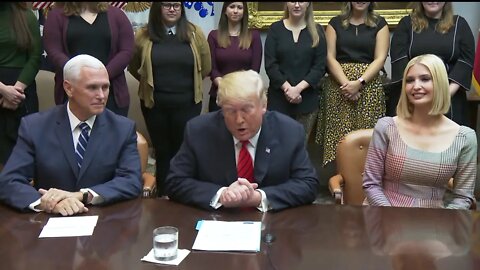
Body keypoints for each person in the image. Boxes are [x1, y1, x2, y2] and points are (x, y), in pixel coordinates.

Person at [0, 54, 142, 216]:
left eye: (105, 87)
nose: (102, 95)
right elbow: (9, 181)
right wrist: (47, 203)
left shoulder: (122, 128)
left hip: (105, 222)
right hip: (49, 222)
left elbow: (131, 181)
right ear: (68, 88)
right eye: (92, 87)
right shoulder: (35, 127)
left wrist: (83, 195)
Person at [165, 70, 319, 212]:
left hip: (273, 226)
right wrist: (222, 195)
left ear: (263, 105)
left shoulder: (289, 131)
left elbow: (308, 185)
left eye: (246, 109)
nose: (239, 120)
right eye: (230, 111)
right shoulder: (199, 131)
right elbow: (175, 181)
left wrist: (259, 197)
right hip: (217, 223)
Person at [363, 54, 477, 209]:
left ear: (440, 83)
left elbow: (463, 197)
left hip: (434, 223)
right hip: (384, 217)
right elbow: (371, 185)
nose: (415, 86)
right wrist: (391, 217)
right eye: (410, 80)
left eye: (425, 79)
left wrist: (442, 226)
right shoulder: (386, 127)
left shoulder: (465, 137)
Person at [128, 1, 211, 196]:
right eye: (167, 5)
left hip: (188, 104)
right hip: (155, 105)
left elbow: (206, 66)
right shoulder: (144, 35)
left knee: (183, 150)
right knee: (162, 151)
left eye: (176, 5)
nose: (172, 9)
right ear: (158, 8)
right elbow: (134, 67)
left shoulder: (194, 33)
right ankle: (164, 195)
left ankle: (184, 192)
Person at [315, 2, 389, 166]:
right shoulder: (335, 23)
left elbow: (380, 58)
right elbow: (329, 57)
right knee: (339, 139)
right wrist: (347, 84)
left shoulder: (380, 24)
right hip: (338, 87)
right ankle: (340, 182)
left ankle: (367, 184)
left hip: (369, 88)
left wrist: (360, 83)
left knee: (368, 139)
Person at [389, 2, 475, 127]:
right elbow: (399, 59)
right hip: (412, 95)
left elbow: (466, 61)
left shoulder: (460, 24)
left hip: (449, 98)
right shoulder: (406, 24)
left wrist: (444, 94)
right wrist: (415, 90)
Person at [43, 2, 134, 116]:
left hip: (111, 94)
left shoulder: (117, 15)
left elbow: (127, 50)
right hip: (74, 93)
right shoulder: (56, 16)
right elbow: (54, 51)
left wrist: (102, 76)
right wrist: (79, 75)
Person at [264, 2, 327, 142]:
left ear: (308, 4)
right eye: (293, 1)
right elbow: (271, 65)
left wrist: (298, 89)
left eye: (301, 1)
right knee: (277, 148)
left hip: (307, 101)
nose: (297, 5)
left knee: (299, 149)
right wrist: (288, 89)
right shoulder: (276, 29)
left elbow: (320, 67)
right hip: (279, 100)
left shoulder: (317, 31)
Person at [0, 3, 41, 171]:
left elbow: (35, 57)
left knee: (24, 153)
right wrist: (3, 90)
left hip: (23, 91)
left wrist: (16, 90)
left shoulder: (26, 16)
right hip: (2, 88)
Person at [207, 1, 262, 112]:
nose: (235, 11)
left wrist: (238, 90)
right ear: (225, 11)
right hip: (220, 94)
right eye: (232, 7)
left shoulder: (254, 36)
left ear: (244, 12)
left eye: (239, 7)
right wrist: (225, 87)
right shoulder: (213, 36)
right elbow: (212, 68)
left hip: (245, 96)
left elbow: (255, 69)